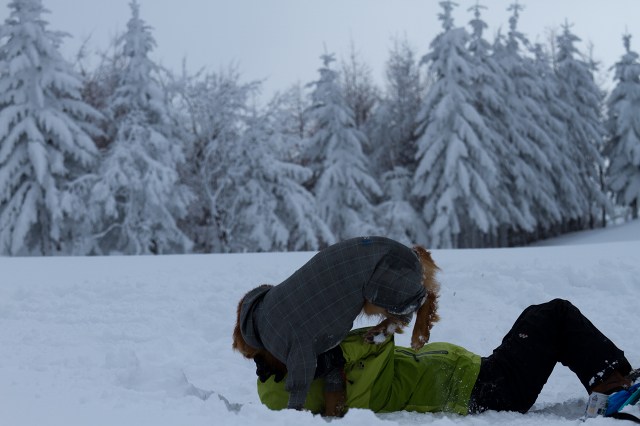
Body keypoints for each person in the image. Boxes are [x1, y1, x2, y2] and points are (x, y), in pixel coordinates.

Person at [255, 299, 639, 417]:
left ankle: (611, 377)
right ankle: (613, 383)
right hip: (484, 391)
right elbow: (381, 339)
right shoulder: (342, 389)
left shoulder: (331, 375)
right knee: (551, 316)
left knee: (541, 319)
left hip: (479, 377)